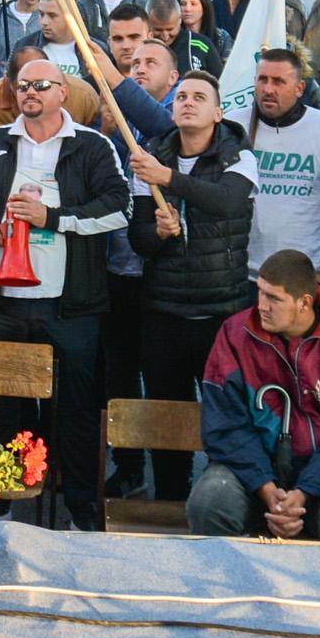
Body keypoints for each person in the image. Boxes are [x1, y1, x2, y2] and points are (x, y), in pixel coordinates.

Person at [0, 55, 130, 531]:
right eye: (23, 85)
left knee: (77, 413)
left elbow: (119, 206)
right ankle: (4, 512)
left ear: (63, 92)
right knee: (3, 412)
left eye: (42, 84)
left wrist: (55, 218)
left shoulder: (92, 146)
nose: (31, 92)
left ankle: (83, 513)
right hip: (4, 303)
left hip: (71, 305)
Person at [188, 250, 320, 544]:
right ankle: (223, 588)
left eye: (274, 298)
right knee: (209, 500)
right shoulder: (234, 334)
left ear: (304, 303)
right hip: (253, 477)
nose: (261, 306)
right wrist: (266, 488)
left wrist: (303, 492)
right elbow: (225, 425)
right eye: (260, 292)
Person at [126, 69, 258, 507]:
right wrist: (159, 234)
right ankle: (168, 502)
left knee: (227, 418)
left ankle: (227, 504)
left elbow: (227, 201)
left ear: (218, 112)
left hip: (222, 313)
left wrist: (169, 179)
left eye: (199, 97)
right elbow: (138, 240)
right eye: (181, 95)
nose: (187, 102)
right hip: (163, 312)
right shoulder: (150, 156)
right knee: (165, 417)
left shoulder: (238, 155)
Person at [239, 47, 320, 281]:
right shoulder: (233, 125)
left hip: (305, 276)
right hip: (243, 274)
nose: (268, 89)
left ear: (300, 88)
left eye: (279, 81)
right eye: (262, 80)